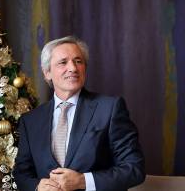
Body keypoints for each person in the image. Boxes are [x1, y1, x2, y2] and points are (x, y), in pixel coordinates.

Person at [13, 36, 145, 191]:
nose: (73, 68)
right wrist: (36, 186)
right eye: (63, 62)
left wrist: (83, 181)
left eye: (78, 61)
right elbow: (22, 174)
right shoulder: (30, 121)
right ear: (47, 72)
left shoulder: (110, 108)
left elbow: (134, 168)